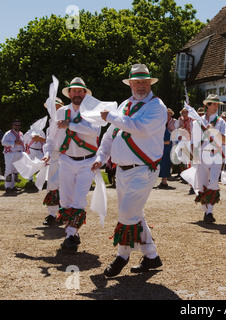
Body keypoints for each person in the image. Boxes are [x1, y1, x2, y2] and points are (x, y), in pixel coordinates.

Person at [92, 64, 166, 277]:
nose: (141, 86)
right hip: (122, 171)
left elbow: (139, 128)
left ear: (150, 83)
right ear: (130, 84)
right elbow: (109, 135)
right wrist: (100, 157)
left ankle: (121, 256)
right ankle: (151, 256)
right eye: (137, 82)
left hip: (144, 169)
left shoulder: (157, 107)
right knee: (134, 213)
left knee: (126, 213)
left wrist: (111, 117)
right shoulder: (125, 104)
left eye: (145, 82)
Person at [44, 77, 101, 253]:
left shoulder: (92, 111)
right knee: (66, 199)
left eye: (80, 91)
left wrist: (71, 125)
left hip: (88, 162)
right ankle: (72, 234)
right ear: (69, 93)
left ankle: (70, 234)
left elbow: (95, 130)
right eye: (73, 91)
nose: (77, 94)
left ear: (85, 93)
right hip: (66, 160)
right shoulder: (60, 113)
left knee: (79, 198)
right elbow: (51, 137)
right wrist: (47, 153)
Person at [190, 94, 226, 223]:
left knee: (213, 182)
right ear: (207, 105)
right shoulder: (197, 122)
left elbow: (225, 140)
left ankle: (210, 211)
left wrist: (214, 131)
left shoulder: (221, 122)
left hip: (216, 154)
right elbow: (193, 141)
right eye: (214, 104)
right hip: (201, 156)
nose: (216, 107)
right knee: (202, 185)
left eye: (217, 104)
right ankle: (206, 210)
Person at [42, 97, 65, 226]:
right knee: (51, 186)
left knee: (63, 186)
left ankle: (63, 213)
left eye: (55, 106)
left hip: (65, 158)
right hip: (54, 159)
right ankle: (52, 214)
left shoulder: (65, 121)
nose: (53, 109)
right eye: (51, 107)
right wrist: (47, 154)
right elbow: (49, 143)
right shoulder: (50, 125)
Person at [2, 120, 25, 194]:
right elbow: (3, 142)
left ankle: (13, 186)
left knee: (15, 171)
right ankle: (7, 187)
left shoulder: (21, 133)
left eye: (18, 125)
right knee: (9, 169)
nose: (17, 126)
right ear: (12, 126)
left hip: (19, 153)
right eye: (16, 125)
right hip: (10, 153)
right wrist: (14, 143)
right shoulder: (8, 133)